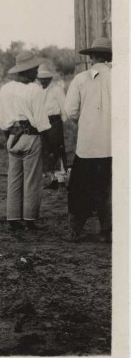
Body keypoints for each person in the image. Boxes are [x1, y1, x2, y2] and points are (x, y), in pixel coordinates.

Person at [65, 37, 112, 243]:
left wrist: (85, 123)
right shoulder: (121, 77)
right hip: (112, 144)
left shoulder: (81, 78)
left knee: (81, 187)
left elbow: (70, 111)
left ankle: (75, 230)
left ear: (91, 56)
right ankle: (106, 230)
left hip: (88, 145)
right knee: (107, 187)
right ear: (110, 56)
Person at [0, 51, 51, 231]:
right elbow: (42, 121)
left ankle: (13, 217)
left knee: (14, 178)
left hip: (13, 136)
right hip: (30, 136)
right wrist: (49, 145)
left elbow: (2, 118)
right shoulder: (34, 89)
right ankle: (29, 218)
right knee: (31, 179)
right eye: (34, 68)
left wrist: (9, 139)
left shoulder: (5, 89)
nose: (37, 71)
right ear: (26, 70)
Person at [36, 63, 68, 189]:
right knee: (46, 151)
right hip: (43, 122)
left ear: (50, 78)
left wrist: (64, 125)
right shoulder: (38, 89)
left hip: (55, 122)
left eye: (45, 78)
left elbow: (64, 107)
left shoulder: (57, 89)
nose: (43, 80)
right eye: (41, 78)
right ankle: (52, 178)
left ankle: (61, 178)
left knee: (57, 150)